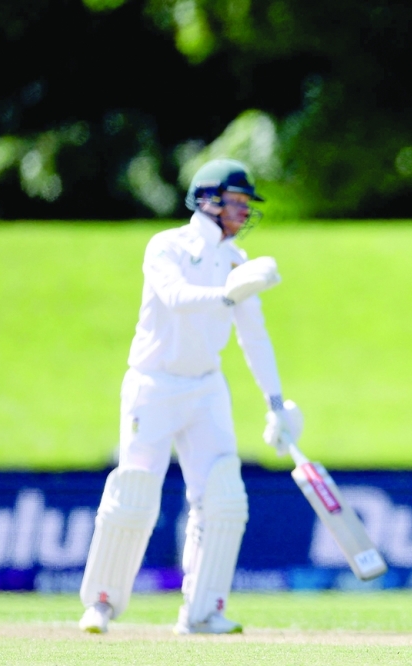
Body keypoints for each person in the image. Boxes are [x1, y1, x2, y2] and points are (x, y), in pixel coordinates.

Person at [77, 158, 304, 635]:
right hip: (153, 384)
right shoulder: (167, 247)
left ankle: (202, 612)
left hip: (205, 387)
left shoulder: (236, 262)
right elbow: (176, 297)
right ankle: (100, 602)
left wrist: (275, 402)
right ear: (209, 200)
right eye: (237, 201)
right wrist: (228, 293)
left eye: (247, 203)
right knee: (135, 494)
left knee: (224, 499)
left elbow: (254, 337)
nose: (244, 211)